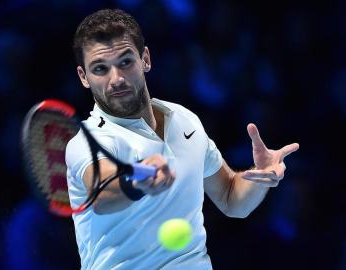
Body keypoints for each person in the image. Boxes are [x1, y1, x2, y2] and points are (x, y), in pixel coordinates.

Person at [65, 9, 299, 270]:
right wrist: (138, 181)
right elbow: (100, 190)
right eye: (100, 69)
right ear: (84, 77)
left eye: (125, 62)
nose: (116, 79)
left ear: (145, 59)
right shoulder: (88, 140)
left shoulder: (185, 119)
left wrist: (261, 175)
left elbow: (232, 199)